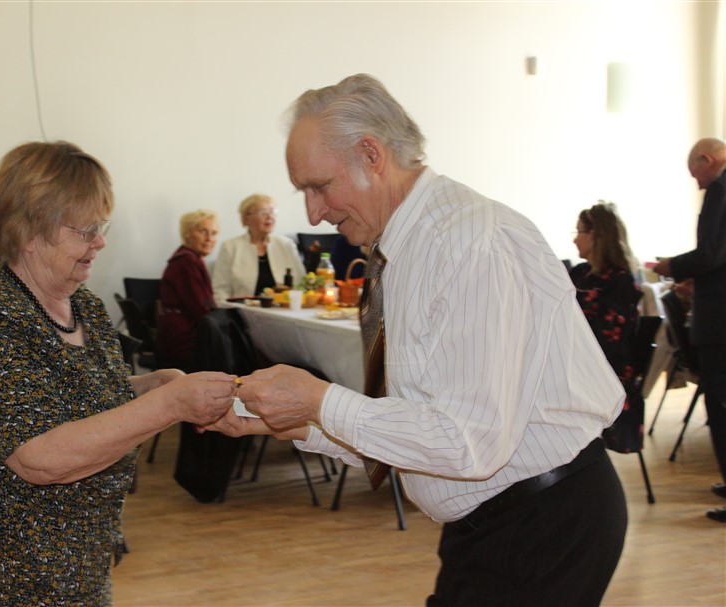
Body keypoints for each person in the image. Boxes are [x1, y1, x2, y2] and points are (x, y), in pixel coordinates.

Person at [208, 74, 628, 605]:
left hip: (542, 524)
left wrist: (319, 401)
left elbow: (466, 442)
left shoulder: (468, 241)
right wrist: (303, 424)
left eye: (319, 186)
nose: (313, 212)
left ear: (371, 155)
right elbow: (421, 422)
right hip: (497, 521)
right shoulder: (407, 247)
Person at [0, 141, 238, 606]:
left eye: (102, 226)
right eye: (87, 230)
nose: (101, 242)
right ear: (31, 232)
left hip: (72, 559)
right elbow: (39, 457)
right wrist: (168, 405)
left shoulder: (82, 306)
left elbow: (70, 396)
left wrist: (149, 386)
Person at [654, 137, 726, 523]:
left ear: (708, 159)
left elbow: (711, 254)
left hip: (720, 323)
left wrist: (672, 266)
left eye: (696, 174)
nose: (697, 184)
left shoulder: (720, 189)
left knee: (721, 406)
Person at [570, 202, 645, 454]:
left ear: (596, 235)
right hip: (582, 364)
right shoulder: (581, 274)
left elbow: (607, 343)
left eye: (579, 232)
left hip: (605, 373)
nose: (574, 239)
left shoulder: (620, 282)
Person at [211, 193, 305, 301]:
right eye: (263, 212)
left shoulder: (287, 245)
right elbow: (220, 290)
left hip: (283, 308)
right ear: (246, 218)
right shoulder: (230, 247)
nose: (270, 217)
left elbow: (302, 284)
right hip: (242, 309)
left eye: (273, 211)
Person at [156, 209, 219, 370]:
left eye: (214, 233)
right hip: (185, 341)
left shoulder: (186, 257)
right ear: (187, 234)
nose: (209, 238)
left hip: (176, 336)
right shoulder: (187, 262)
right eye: (203, 231)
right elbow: (202, 309)